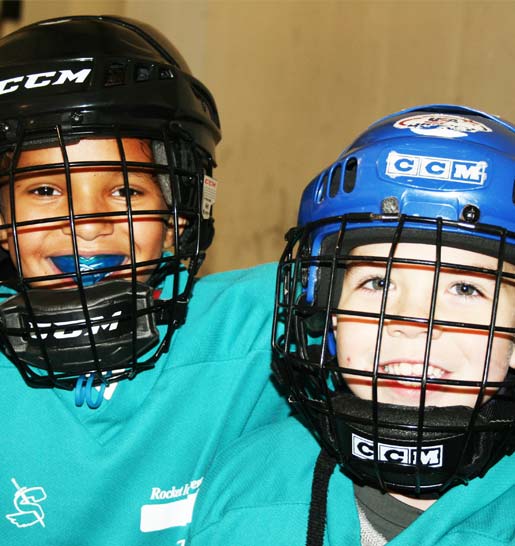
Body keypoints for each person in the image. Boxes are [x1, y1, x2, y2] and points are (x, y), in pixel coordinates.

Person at [0, 15, 288, 545]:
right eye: (44, 191)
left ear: (178, 217)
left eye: (126, 193)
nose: (87, 224)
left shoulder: (252, 331)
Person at [188, 104, 515, 545]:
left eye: (465, 289)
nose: (412, 324)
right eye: (379, 282)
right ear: (330, 312)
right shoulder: (249, 477)